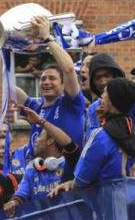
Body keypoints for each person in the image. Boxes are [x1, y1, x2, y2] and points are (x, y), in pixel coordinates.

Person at [49, 78, 135, 196]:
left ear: (113, 100)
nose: (102, 96)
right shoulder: (132, 131)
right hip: (126, 199)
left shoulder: (101, 135)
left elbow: (82, 179)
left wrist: (70, 184)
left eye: (106, 92)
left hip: (102, 203)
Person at [15, 16, 85, 170]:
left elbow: (69, 69)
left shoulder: (70, 103)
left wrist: (47, 37)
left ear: (62, 85)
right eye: (43, 78)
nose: (46, 82)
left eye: (52, 78)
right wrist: (5, 46)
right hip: (39, 176)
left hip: (69, 175)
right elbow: (7, 85)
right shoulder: (35, 106)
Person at [86, 53, 135, 185]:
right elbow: (91, 146)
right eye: (98, 78)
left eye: (107, 76)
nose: (103, 82)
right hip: (108, 179)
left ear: (116, 76)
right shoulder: (93, 109)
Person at [3, 106, 80, 217]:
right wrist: (13, 202)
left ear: (50, 140)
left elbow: (69, 145)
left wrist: (41, 121)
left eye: (39, 137)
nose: (36, 140)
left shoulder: (69, 164)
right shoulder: (33, 168)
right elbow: (21, 195)